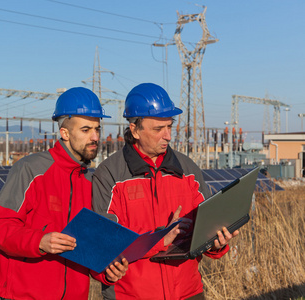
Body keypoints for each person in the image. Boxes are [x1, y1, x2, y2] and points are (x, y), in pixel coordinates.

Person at [92, 83, 238, 300]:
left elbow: (205, 229)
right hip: (131, 295)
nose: (168, 136)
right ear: (134, 130)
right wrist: (161, 238)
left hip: (189, 293)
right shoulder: (109, 176)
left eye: (170, 127)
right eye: (158, 129)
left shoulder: (187, 170)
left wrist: (216, 244)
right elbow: (104, 245)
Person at [0, 87, 128, 300]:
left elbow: (88, 248)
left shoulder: (91, 182)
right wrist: (40, 241)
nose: (95, 137)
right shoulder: (31, 170)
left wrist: (107, 271)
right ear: (64, 133)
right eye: (85, 130)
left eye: (97, 129)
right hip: (24, 295)